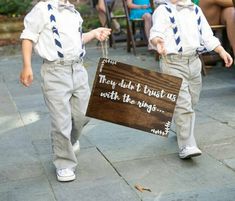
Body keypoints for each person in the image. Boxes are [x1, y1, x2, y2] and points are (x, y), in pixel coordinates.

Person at [19, 0, 111, 182]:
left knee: (84, 114)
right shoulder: (42, 9)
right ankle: (64, 163)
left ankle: (69, 141)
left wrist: (93, 33)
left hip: (78, 69)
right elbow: (28, 37)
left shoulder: (73, 12)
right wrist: (27, 66)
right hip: (54, 72)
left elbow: (75, 40)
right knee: (61, 121)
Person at [150, 0, 233, 159]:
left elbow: (207, 35)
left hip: (194, 62)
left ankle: (181, 127)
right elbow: (156, 32)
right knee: (184, 105)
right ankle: (187, 145)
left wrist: (221, 51)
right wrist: (157, 41)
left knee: (192, 100)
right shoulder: (163, 10)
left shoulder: (195, 9)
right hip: (172, 63)